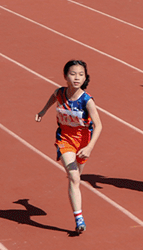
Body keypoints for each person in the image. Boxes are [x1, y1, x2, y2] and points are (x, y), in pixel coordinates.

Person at [35, 60, 102, 235]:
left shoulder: (87, 101)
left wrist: (89, 148)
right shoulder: (60, 93)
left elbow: (99, 126)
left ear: (85, 77)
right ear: (65, 76)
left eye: (81, 74)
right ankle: (79, 218)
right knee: (73, 177)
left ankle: (75, 202)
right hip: (65, 140)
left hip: (83, 143)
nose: (77, 77)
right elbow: (53, 96)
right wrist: (43, 111)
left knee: (76, 178)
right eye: (73, 74)